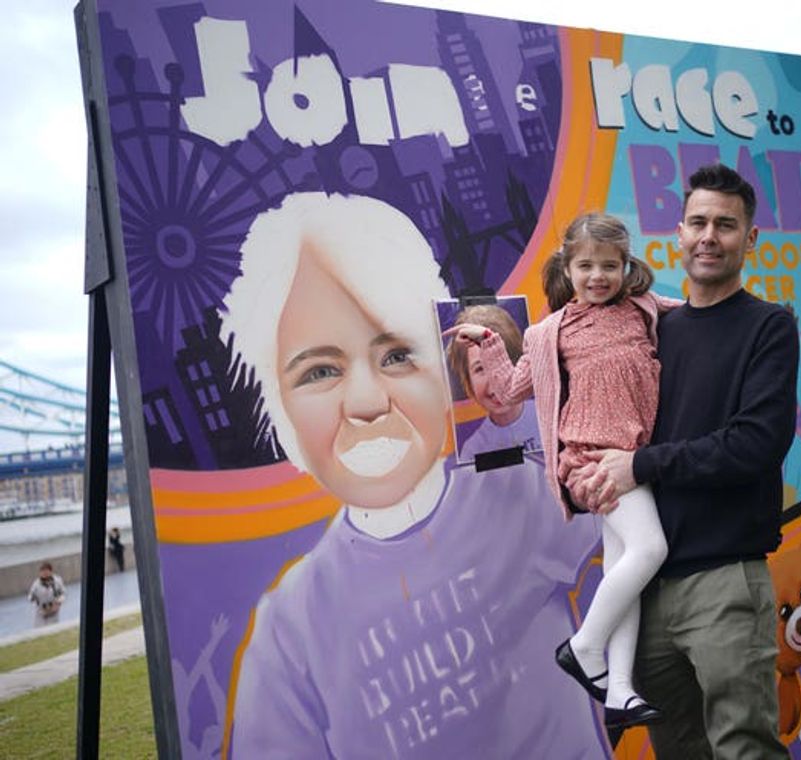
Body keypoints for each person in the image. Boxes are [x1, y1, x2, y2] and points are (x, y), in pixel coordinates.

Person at [221, 192, 605, 759]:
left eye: (397, 355)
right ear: (280, 414)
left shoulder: (519, 489)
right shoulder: (292, 627)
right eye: (320, 370)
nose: (368, 401)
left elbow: (635, 543)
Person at [573, 164, 799, 759]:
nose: (709, 236)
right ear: (677, 234)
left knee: (744, 748)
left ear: (750, 240)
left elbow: (755, 444)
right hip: (646, 593)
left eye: (726, 225)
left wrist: (641, 465)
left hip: (723, 581)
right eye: (698, 222)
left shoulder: (769, 327)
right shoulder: (651, 329)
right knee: (679, 752)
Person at [447, 212, 682, 729]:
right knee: (650, 549)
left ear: (626, 266)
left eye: (609, 265)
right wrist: (487, 342)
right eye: (585, 266)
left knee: (625, 565)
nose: (597, 276)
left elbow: (695, 316)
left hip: (634, 458)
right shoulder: (548, 334)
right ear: (567, 268)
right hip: (590, 460)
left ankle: (619, 691)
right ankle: (583, 647)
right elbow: (510, 390)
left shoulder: (643, 309)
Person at [446, 304, 541, 460]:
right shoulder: (473, 449)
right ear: (468, 380)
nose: (495, 383)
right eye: (480, 369)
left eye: (500, 361)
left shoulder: (548, 417)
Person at [28, 561, 66, 627]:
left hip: (54, 612)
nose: (45, 573)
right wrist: (35, 600)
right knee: (39, 630)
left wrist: (58, 603)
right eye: (42, 571)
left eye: (46, 571)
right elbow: (30, 596)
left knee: (53, 629)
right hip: (41, 613)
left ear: (51, 571)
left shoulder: (57, 581)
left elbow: (63, 594)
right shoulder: (36, 584)